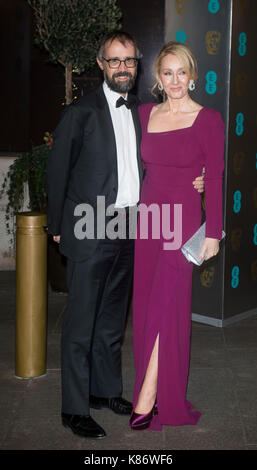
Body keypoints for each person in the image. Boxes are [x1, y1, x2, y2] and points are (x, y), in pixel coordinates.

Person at [46, 32, 204, 439]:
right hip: (89, 223)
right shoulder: (79, 112)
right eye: (114, 61)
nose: (122, 68)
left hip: (134, 226)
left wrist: (197, 181)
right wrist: (59, 228)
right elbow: (58, 172)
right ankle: (75, 408)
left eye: (129, 61)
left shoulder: (144, 112)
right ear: (100, 64)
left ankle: (106, 390)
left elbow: (170, 156)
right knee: (81, 322)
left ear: (137, 66)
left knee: (113, 320)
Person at [129, 41, 225, 431]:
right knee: (148, 306)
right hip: (149, 221)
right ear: (158, 77)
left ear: (193, 76)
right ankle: (155, 389)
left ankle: (148, 397)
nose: (174, 80)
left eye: (181, 72)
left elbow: (215, 177)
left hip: (183, 223)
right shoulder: (144, 114)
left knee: (166, 306)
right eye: (167, 73)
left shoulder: (208, 120)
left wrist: (214, 233)